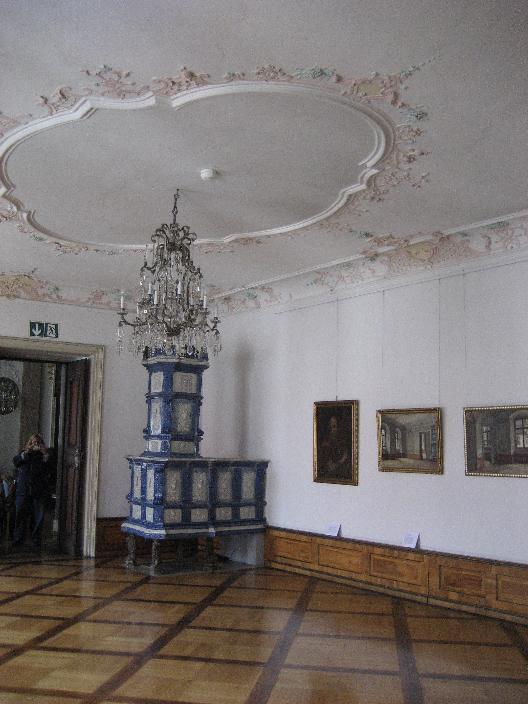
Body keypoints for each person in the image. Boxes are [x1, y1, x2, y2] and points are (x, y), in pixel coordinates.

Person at [12, 433, 51, 549]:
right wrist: (26, 452)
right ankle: (18, 540)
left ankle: (35, 542)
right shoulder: (24, 453)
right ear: (29, 443)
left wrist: (45, 454)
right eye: (33, 442)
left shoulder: (45, 455)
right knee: (20, 516)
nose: (35, 444)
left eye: (38, 442)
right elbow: (15, 461)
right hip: (23, 490)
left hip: (38, 490)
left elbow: (50, 470)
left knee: (37, 517)